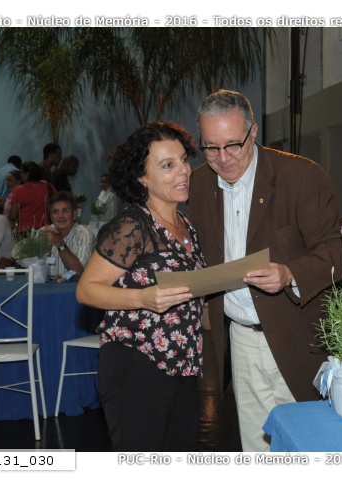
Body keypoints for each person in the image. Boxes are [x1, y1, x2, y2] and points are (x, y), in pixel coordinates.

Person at [188, 89, 342, 452]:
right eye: (210, 147)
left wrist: (289, 273)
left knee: (310, 445)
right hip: (240, 339)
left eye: (233, 145)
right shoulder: (198, 184)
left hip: (298, 336)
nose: (223, 158)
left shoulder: (300, 176)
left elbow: (336, 253)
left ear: (253, 131)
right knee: (257, 448)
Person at [76, 122, 206, 452]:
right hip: (137, 364)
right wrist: (144, 298)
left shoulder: (186, 226)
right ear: (142, 178)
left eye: (183, 160)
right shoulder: (132, 226)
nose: (183, 171)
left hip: (182, 365)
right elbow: (86, 289)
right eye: (167, 165)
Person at [40, 191, 94, 278]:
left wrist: (60, 244)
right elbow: (33, 271)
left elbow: (77, 271)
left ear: (74, 215)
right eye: (55, 212)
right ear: (51, 217)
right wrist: (45, 248)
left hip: (74, 285)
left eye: (65, 211)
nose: (60, 215)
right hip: (46, 285)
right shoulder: (43, 233)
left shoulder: (85, 235)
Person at [8, 161, 56, 234]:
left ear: (27, 174)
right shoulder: (49, 187)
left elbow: (13, 215)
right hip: (45, 231)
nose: (21, 176)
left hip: (24, 232)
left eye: (22, 173)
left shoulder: (19, 190)